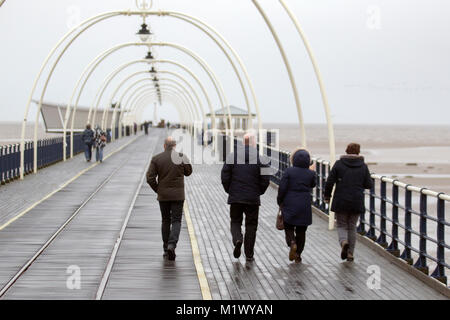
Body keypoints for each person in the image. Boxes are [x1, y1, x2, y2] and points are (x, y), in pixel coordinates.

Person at [221, 133, 270, 262]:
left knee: (235, 221)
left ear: (243, 142)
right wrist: (259, 192)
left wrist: (230, 190)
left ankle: (237, 239)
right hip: (253, 198)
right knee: (251, 225)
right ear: (254, 143)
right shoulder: (262, 159)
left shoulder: (232, 156)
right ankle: (249, 255)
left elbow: (224, 176)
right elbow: (266, 179)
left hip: (236, 197)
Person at [324, 143, 373, 262]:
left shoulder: (339, 164)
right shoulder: (363, 166)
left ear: (346, 151)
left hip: (341, 200)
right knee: (352, 226)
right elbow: (369, 184)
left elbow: (330, 181)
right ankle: (350, 253)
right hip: (356, 200)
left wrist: (327, 196)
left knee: (341, 225)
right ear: (358, 152)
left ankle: (343, 242)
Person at [146, 137, 193, 261]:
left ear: (164, 146)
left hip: (163, 196)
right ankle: (172, 245)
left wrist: (158, 189)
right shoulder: (181, 157)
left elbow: (150, 178)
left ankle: (166, 249)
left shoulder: (156, 159)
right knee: (176, 221)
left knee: (165, 220)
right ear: (175, 146)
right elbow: (189, 172)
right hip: (178, 196)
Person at [277, 149, 316, 263]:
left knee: (288, 226)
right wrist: (311, 171)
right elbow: (313, 184)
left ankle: (292, 243)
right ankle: (298, 254)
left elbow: (282, 187)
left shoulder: (289, 171)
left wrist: (280, 201)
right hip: (304, 204)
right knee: (301, 230)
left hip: (290, 202)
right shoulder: (310, 173)